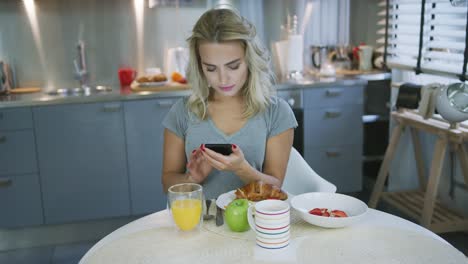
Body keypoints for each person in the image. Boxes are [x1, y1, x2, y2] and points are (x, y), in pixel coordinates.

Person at [162, 8, 298, 199]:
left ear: (250, 60)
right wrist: (192, 179)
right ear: (200, 66)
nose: (223, 79)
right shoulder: (182, 112)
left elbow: (275, 187)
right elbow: (167, 181)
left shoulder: (276, 112)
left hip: (253, 224)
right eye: (210, 68)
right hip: (199, 224)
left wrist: (242, 169)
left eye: (233, 66)